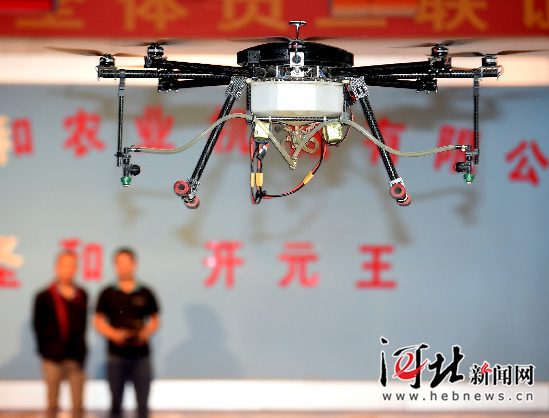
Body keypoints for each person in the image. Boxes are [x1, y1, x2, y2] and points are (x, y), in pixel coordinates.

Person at [94, 247, 160, 418]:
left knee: (143, 404)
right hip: (116, 354)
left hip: (141, 355)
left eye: (127, 263)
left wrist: (145, 332)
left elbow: (155, 319)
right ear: (115, 265)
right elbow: (98, 321)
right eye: (119, 263)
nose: (123, 267)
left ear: (134, 264)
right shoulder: (107, 293)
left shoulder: (146, 292)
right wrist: (113, 334)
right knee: (116, 403)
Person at [32, 250, 88, 418]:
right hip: (52, 358)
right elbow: (37, 327)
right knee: (52, 404)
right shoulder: (44, 296)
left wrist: (82, 353)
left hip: (76, 358)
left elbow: (82, 327)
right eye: (65, 265)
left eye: (72, 266)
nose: (68, 270)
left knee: (78, 405)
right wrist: (46, 352)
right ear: (56, 267)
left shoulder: (82, 295)